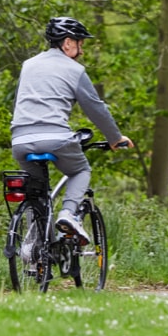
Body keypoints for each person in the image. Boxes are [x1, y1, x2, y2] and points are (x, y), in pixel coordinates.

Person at [10, 17, 133, 245]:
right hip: (55, 139)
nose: (81, 50)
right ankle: (68, 214)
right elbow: (96, 108)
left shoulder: (28, 65)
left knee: (35, 192)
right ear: (67, 43)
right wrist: (115, 138)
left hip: (20, 140)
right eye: (80, 43)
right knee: (80, 171)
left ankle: (31, 247)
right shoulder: (75, 70)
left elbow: (18, 102)